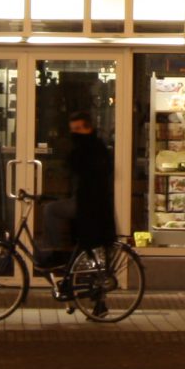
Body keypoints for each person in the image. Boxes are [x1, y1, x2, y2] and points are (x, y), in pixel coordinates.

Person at [58, 111, 116, 305]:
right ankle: (98, 303)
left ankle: (53, 251)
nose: (75, 133)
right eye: (72, 130)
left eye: (78, 129)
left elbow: (73, 167)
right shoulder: (95, 147)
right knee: (89, 251)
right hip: (92, 207)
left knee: (51, 211)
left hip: (90, 207)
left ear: (88, 128)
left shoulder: (88, 148)